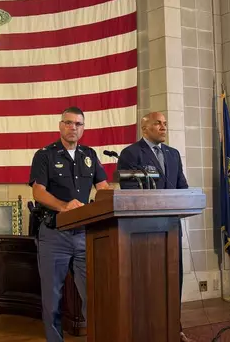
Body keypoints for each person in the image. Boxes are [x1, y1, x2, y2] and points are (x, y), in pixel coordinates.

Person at [28, 107, 110, 342]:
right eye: (69, 123)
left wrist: (108, 199)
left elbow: (103, 187)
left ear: (83, 128)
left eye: (78, 124)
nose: (73, 127)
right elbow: (38, 192)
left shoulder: (90, 154)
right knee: (52, 299)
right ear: (60, 125)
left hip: (85, 234)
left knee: (93, 295)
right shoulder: (45, 155)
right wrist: (64, 206)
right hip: (55, 235)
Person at [116, 111, 191, 342]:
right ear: (144, 128)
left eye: (165, 123)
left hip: (170, 227)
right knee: (147, 277)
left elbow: (182, 187)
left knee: (172, 276)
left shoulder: (173, 154)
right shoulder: (130, 153)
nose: (163, 127)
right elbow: (129, 191)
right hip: (144, 230)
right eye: (158, 123)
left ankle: (173, 328)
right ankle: (145, 328)